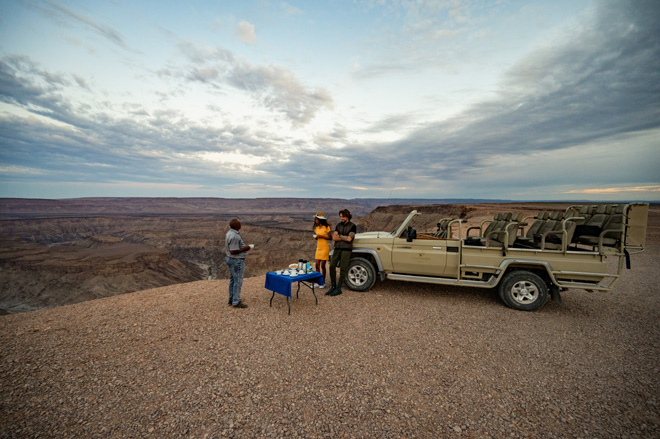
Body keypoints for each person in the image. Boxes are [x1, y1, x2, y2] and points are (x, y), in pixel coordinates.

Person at [327, 209, 357, 297]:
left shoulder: (353, 226)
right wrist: (343, 237)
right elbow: (334, 238)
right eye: (340, 216)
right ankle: (333, 285)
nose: (341, 218)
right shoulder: (338, 225)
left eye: (343, 216)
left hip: (346, 249)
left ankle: (339, 288)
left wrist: (339, 235)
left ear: (347, 216)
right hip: (337, 248)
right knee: (332, 265)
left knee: (343, 268)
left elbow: (349, 239)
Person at [224, 218, 251, 308]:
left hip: (231, 259)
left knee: (233, 280)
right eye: (239, 224)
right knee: (238, 281)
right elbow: (233, 251)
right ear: (236, 226)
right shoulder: (235, 236)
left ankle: (231, 299)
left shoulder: (229, 233)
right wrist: (246, 248)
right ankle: (236, 301)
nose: (240, 225)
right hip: (236, 260)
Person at [312, 212, 332, 288]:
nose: (315, 221)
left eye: (316, 219)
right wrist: (316, 237)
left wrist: (321, 236)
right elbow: (317, 238)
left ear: (320, 219)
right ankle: (318, 281)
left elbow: (330, 238)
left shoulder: (326, 227)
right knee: (317, 265)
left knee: (322, 265)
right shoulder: (316, 228)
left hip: (324, 248)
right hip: (318, 248)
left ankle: (323, 282)